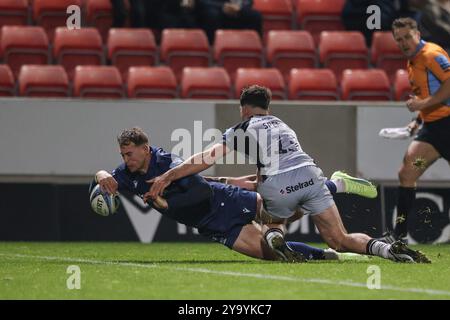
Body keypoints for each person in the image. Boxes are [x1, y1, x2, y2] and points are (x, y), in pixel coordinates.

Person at [148, 85, 430, 263]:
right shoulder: (281, 124)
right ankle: (384, 248)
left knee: (264, 214)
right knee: (340, 239)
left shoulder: (242, 128)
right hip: (309, 173)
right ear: (267, 108)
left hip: (278, 185)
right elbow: (272, 165)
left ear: (244, 109)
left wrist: (169, 176)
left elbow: (204, 160)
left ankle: (274, 236)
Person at [94, 127, 373, 263]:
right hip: (210, 224)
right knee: (272, 254)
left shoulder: (167, 163)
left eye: (129, 153)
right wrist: (101, 174)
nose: (126, 159)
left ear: (146, 149)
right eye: (123, 155)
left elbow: (200, 191)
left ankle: (336, 184)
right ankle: (336, 257)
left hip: (223, 201)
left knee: (287, 207)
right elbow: (103, 184)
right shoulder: (127, 174)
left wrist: (166, 203)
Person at [379, 17, 450, 243]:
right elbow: (428, 96)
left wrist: (422, 105)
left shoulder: (431, 55)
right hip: (433, 135)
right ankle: (398, 236)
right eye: (399, 39)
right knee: (408, 172)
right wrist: (417, 120)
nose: (404, 42)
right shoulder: (412, 61)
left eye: (408, 37)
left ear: (417, 34)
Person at [196, 0, 262, 43]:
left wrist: (239, 8)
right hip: (216, 8)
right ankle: (214, 48)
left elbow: (248, 2)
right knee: (212, 15)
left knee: (255, 16)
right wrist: (223, 7)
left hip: (237, 9)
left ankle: (254, 48)